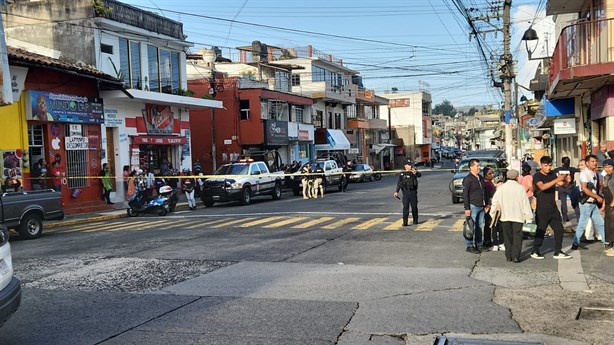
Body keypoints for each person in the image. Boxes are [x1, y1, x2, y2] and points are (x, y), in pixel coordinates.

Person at [490, 169, 534, 262]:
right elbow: (525, 204)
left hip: (505, 216)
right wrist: (529, 218)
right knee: (517, 237)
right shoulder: (520, 188)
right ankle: (515, 256)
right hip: (518, 217)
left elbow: (495, 202)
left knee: (507, 237)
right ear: (517, 177)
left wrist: (492, 213)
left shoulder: (501, 188)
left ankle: (508, 256)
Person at [531, 156, 571, 259]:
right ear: (541, 165)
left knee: (559, 229)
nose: (548, 168)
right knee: (541, 230)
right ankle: (535, 250)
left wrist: (567, 180)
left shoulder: (553, 175)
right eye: (545, 165)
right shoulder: (537, 176)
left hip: (553, 207)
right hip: (542, 208)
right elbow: (542, 187)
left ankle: (558, 251)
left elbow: (563, 185)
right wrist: (557, 179)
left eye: (549, 165)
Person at [571, 154, 607, 252]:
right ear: (587, 163)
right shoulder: (585, 173)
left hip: (593, 203)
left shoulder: (594, 173)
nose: (595, 163)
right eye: (592, 161)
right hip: (586, 203)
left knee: (600, 223)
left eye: (596, 161)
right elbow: (584, 189)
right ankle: (575, 243)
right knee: (583, 223)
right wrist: (597, 197)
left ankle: (606, 242)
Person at [462, 159, 489, 254]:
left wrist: (486, 204)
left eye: (479, 165)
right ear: (471, 167)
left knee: (479, 226)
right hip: (473, 206)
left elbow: (484, 192)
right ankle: (469, 245)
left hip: (481, 206)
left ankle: (479, 244)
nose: (479, 168)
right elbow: (465, 194)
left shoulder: (480, 178)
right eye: (477, 166)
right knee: (470, 226)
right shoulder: (468, 179)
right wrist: (467, 208)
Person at [394, 160, 421, 226]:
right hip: (405, 192)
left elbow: (419, 175)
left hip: (413, 192)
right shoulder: (402, 173)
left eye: (410, 165)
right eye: (408, 165)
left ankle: (415, 220)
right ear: (405, 166)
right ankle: (405, 222)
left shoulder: (413, 171)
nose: (410, 166)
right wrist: (396, 191)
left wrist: (415, 173)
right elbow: (399, 183)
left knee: (414, 207)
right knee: (405, 207)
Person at [554, 157, 579, 222]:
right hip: (571, 187)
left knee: (563, 203)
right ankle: (578, 217)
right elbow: (579, 170)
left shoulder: (558, 169)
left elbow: (552, 172)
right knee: (574, 202)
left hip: (562, 187)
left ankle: (565, 217)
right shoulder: (572, 169)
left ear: (562, 163)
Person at [482, 167, 500, 250]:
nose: (492, 175)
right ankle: (487, 240)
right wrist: (488, 204)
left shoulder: (490, 182)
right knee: (488, 224)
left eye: (492, 173)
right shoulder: (486, 184)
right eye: (490, 173)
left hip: (493, 205)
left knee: (490, 223)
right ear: (485, 175)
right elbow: (488, 196)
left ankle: (489, 239)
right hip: (488, 206)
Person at [601, 159, 614, 256]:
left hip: (612, 205)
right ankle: (610, 244)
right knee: (609, 227)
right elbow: (605, 193)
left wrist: (613, 204)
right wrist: (603, 206)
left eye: (610, 167)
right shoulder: (606, 177)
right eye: (606, 167)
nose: (608, 169)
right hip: (608, 204)